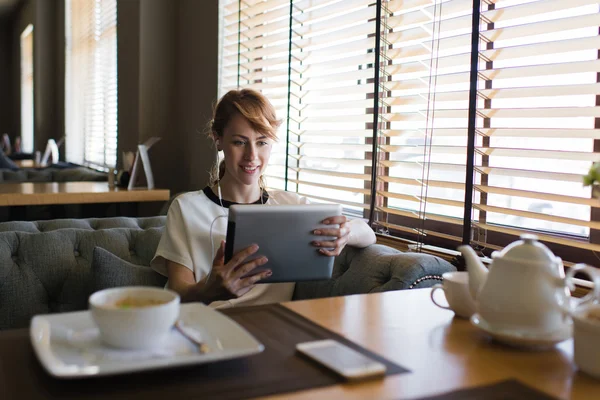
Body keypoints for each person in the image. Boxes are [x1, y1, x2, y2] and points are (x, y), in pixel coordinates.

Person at [151, 89, 376, 308]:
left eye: (261, 142)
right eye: (239, 142)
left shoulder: (290, 206)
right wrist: (209, 290)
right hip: (207, 328)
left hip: (272, 329)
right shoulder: (186, 208)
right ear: (218, 140)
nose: (252, 156)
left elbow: (369, 234)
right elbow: (176, 294)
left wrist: (346, 233)